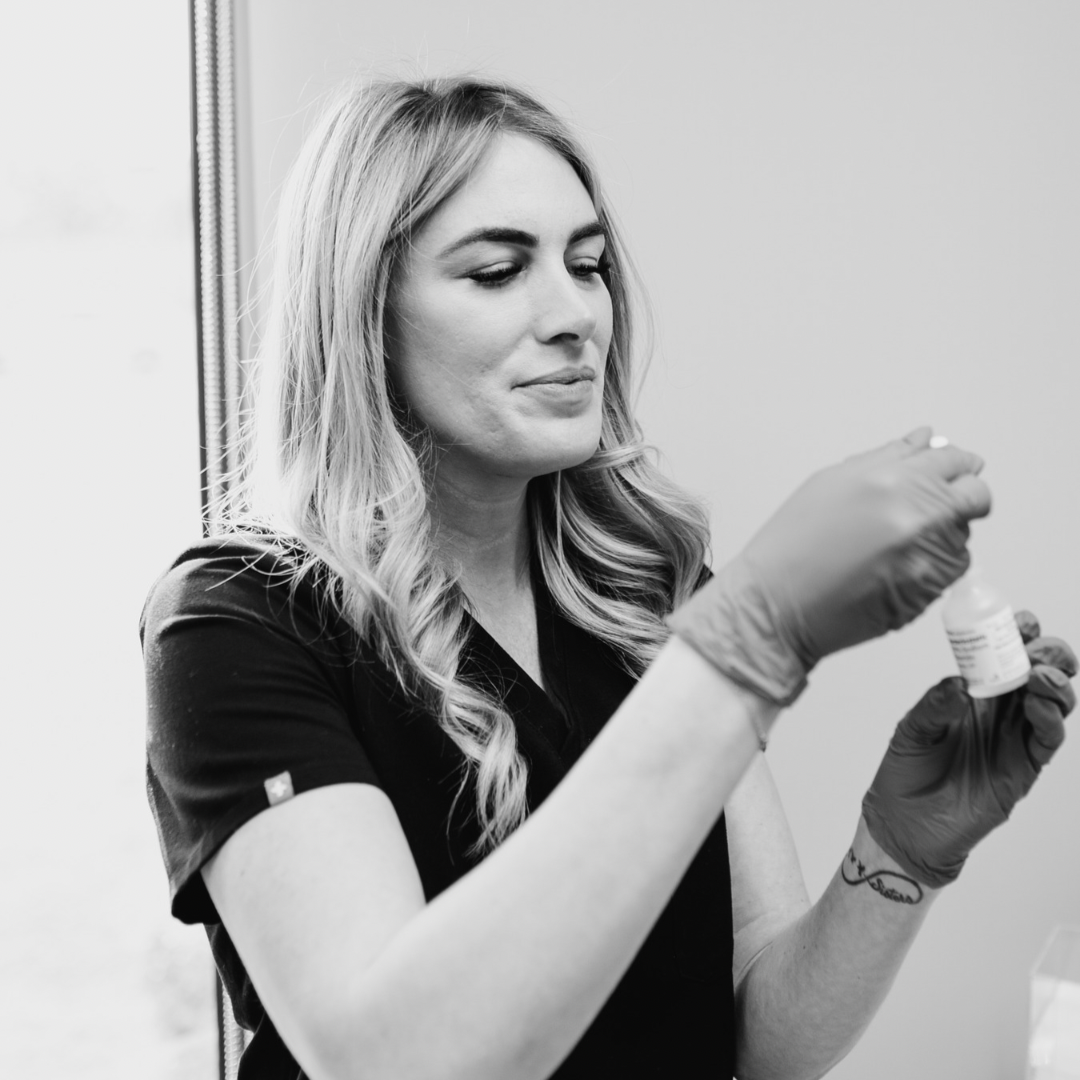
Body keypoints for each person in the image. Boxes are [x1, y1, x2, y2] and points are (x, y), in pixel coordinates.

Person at [141, 76, 1076, 1080]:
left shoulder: (640, 589)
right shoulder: (238, 623)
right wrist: (750, 640)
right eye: (497, 271)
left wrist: (898, 852)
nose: (575, 314)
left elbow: (763, 1039)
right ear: (362, 313)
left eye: (586, 265)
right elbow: (391, 1060)